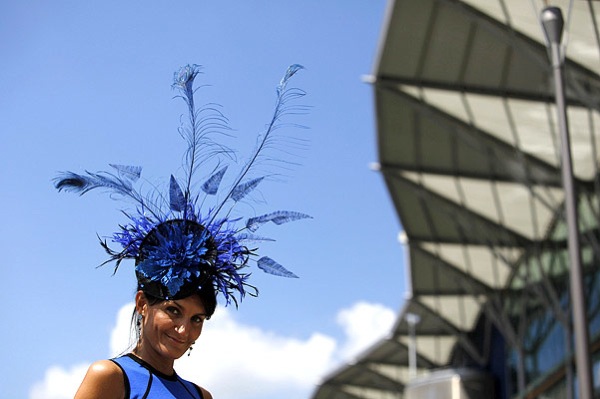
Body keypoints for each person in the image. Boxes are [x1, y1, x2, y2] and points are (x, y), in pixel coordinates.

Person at [55, 64, 309, 398]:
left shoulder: (202, 396)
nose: (183, 330)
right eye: (174, 310)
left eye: (197, 319)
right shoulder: (110, 377)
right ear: (143, 303)